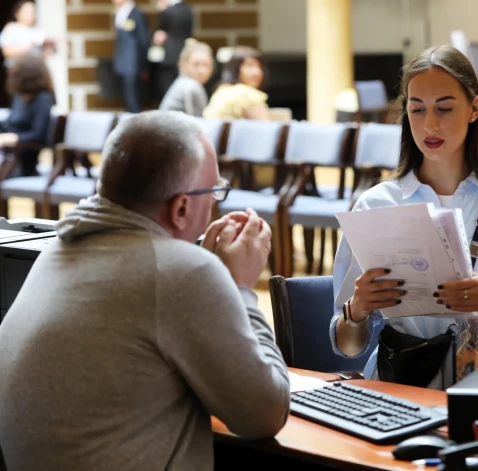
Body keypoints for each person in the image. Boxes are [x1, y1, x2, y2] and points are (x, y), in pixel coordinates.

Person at [0, 110, 290, 470]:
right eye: (214, 190)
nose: (216, 202)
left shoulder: (58, 249)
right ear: (182, 207)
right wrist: (240, 288)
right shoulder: (184, 272)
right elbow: (265, 414)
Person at [330, 45, 478, 389]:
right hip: (400, 390)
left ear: (474, 108)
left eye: (444, 108)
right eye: (417, 109)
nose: (429, 125)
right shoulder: (376, 205)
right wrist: (357, 309)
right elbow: (348, 347)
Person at [0, 53, 54, 176]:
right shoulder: (18, 98)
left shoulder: (43, 99)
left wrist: (14, 138)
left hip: (23, 158)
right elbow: (10, 122)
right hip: (10, 154)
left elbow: (39, 135)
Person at [203, 45, 270, 120]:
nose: (257, 72)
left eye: (260, 67)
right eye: (250, 66)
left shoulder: (222, 90)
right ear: (235, 69)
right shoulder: (247, 94)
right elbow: (265, 127)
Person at [111, 0, 150, 113]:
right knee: (127, 99)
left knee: (134, 100)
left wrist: (143, 66)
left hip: (133, 64)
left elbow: (143, 40)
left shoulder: (137, 14)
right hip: (122, 64)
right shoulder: (119, 13)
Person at [152, 0, 194, 103]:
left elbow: (158, 37)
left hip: (169, 57)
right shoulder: (188, 10)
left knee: (167, 91)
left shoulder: (167, 12)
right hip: (185, 56)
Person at [159, 39, 213, 117]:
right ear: (185, 65)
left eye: (206, 65)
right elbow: (198, 123)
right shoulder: (191, 86)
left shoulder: (182, 82)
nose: (201, 70)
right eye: (196, 64)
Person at [0, 0, 52, 69]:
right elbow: (6, 51)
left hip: (35, 69)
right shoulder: (11, 28)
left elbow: (45, 53)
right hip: (17, 69)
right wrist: (30, 46)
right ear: (17, 14)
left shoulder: (38, 30)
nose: (30, 15)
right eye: (26, 12)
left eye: (32, 12)